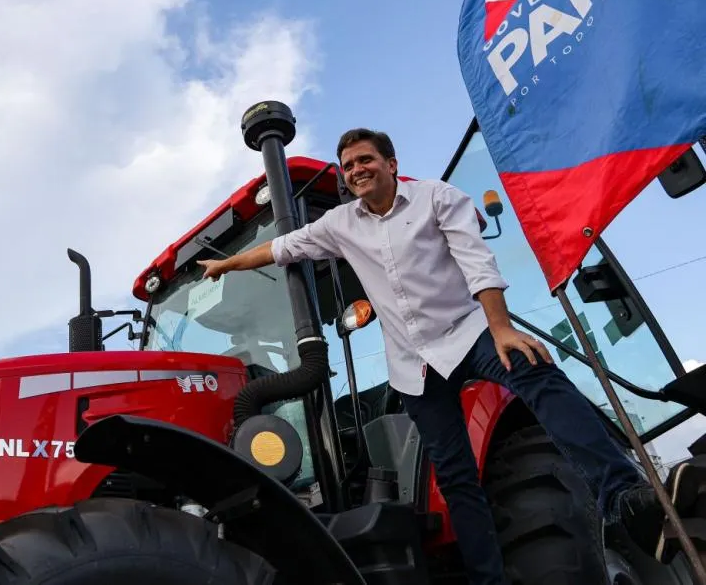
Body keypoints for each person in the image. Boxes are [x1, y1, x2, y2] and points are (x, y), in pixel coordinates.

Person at [197, 127, 695, 585]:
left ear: (392, 164)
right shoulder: (340, 224)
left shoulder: (437, 197)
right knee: (456, 478)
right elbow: (281, 248)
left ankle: (624, 496)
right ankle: (487, 580)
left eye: (364, 160)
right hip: (413, 365)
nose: (355, 171)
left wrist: (501, 329)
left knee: (536, 373)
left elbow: (477, 262)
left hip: (469, 333)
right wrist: (226, 264)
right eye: (347, 166)